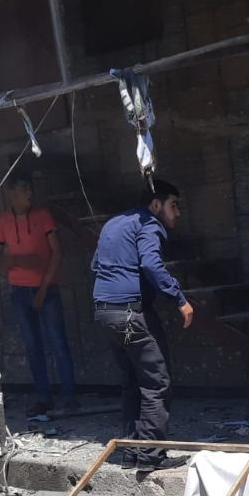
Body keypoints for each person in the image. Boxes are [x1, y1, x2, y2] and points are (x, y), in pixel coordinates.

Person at [91, 179, 193, 472]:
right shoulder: (149, 224)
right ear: (156, 204)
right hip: (129, 314)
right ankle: (150, 456)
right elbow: (151, 264)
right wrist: (179, 298)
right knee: (156, 382)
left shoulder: (114, 224)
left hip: (105, 313)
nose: (178, 213)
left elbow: (95, 266)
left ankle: (130, 452)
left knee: (132, 382)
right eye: (174, 206)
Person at [0, 175, 76, 419]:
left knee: (58, 343)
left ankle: (69, 397)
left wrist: (42, 288)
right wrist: (13, 262)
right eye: (23, 188)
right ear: (11, 193)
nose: (29, 194)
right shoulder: (2, 220)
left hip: (46, 288)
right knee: (32, 346)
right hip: (18, 289)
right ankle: (43, 397)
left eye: (30, 188)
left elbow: (57, 252)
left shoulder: (43, 216)